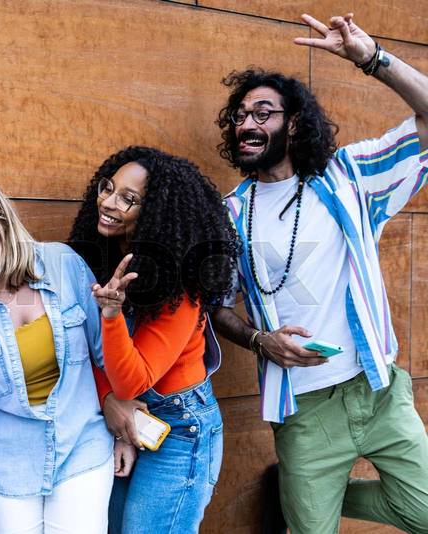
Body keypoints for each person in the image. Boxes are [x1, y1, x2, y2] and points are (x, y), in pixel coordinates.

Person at [211, 12, 428, 534]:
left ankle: (296, 489)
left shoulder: (350, 177)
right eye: (239, 115)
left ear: (295, 122)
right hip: (303, 411)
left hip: (378, 391)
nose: (247, 124)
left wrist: (373, 59)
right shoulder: (230, 214)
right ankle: (301, 486)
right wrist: (262, 342)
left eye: (262, 113)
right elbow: (215, 306)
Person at [67, 146, 238, 533]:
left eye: (128, 199)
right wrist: (112, 407)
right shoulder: (101, 257)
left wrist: (111, 316)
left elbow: (133, 380)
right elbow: (85, 350)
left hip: (179, 429)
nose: (108, 203)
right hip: (128, 423)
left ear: (158, 213)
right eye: (107, 188)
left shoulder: (181, 284)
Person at [0, 174, 115, 534]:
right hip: (6, 467)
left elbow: (105, 355)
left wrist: (124, 430)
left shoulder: (62, 263)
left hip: (83, 449)